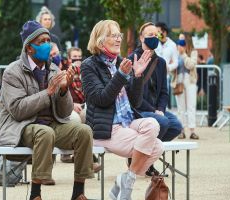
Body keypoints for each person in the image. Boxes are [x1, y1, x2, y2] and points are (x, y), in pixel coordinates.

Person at [0, 20, 94, 200]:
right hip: (22, 126)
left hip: (51, 125)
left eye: (48, 40)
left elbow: (64, 113)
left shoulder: (54, 69)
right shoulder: (12, 72)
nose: (47, 45)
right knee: (45, 132)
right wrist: (48, 93)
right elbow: (17, 110)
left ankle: (78, 192)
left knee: (84, 131)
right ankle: (35, 195)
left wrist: (64, 90)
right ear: (29, 48)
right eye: (41, 41)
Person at [81, 20, 164, 199]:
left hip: (126, 123)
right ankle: (127, 182)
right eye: (114, 35)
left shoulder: (120, 62)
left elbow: (135, 101)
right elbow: (101, 99)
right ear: (100, 41)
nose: (119, 39)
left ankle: (126, 179)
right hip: (106, 128)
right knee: (154, 146)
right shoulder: (89, 65)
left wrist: (138, 76)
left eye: (120, 35)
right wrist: (121, 75)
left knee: (153, 127)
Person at [129, 22, 182, 176]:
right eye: (150, 35)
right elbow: (133, 95)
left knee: (176, 126)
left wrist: (160, 109)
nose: (154, 38)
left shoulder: (161, 62)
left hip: (155, 110)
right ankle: (145, 162)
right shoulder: (132, 58)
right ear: (141, 38)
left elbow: (164, 92)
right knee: (163, 122)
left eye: (156, 35)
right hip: (138, 109)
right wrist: (155, 112)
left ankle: (139, 155)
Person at [173, 33, 199, 139]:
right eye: (179, 40)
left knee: (191, 106)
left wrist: (183, 54)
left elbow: (191, 65)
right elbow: (172, 67)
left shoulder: (193, 52)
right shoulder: (175, 52)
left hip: (190, 80)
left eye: (182, 40)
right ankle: (181, 130)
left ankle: (192, 131)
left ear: (187, 41)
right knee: (180, 107)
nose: (180, 43)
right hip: (178, 80)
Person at [155, 22, 179, 109]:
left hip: (165, 77)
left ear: (164, 32)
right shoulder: (155, 42)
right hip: (153, 76)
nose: (156, 34)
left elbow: (176, 62)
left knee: (163, 100)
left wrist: (168, 67)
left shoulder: (172, 45)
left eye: (158, 31)